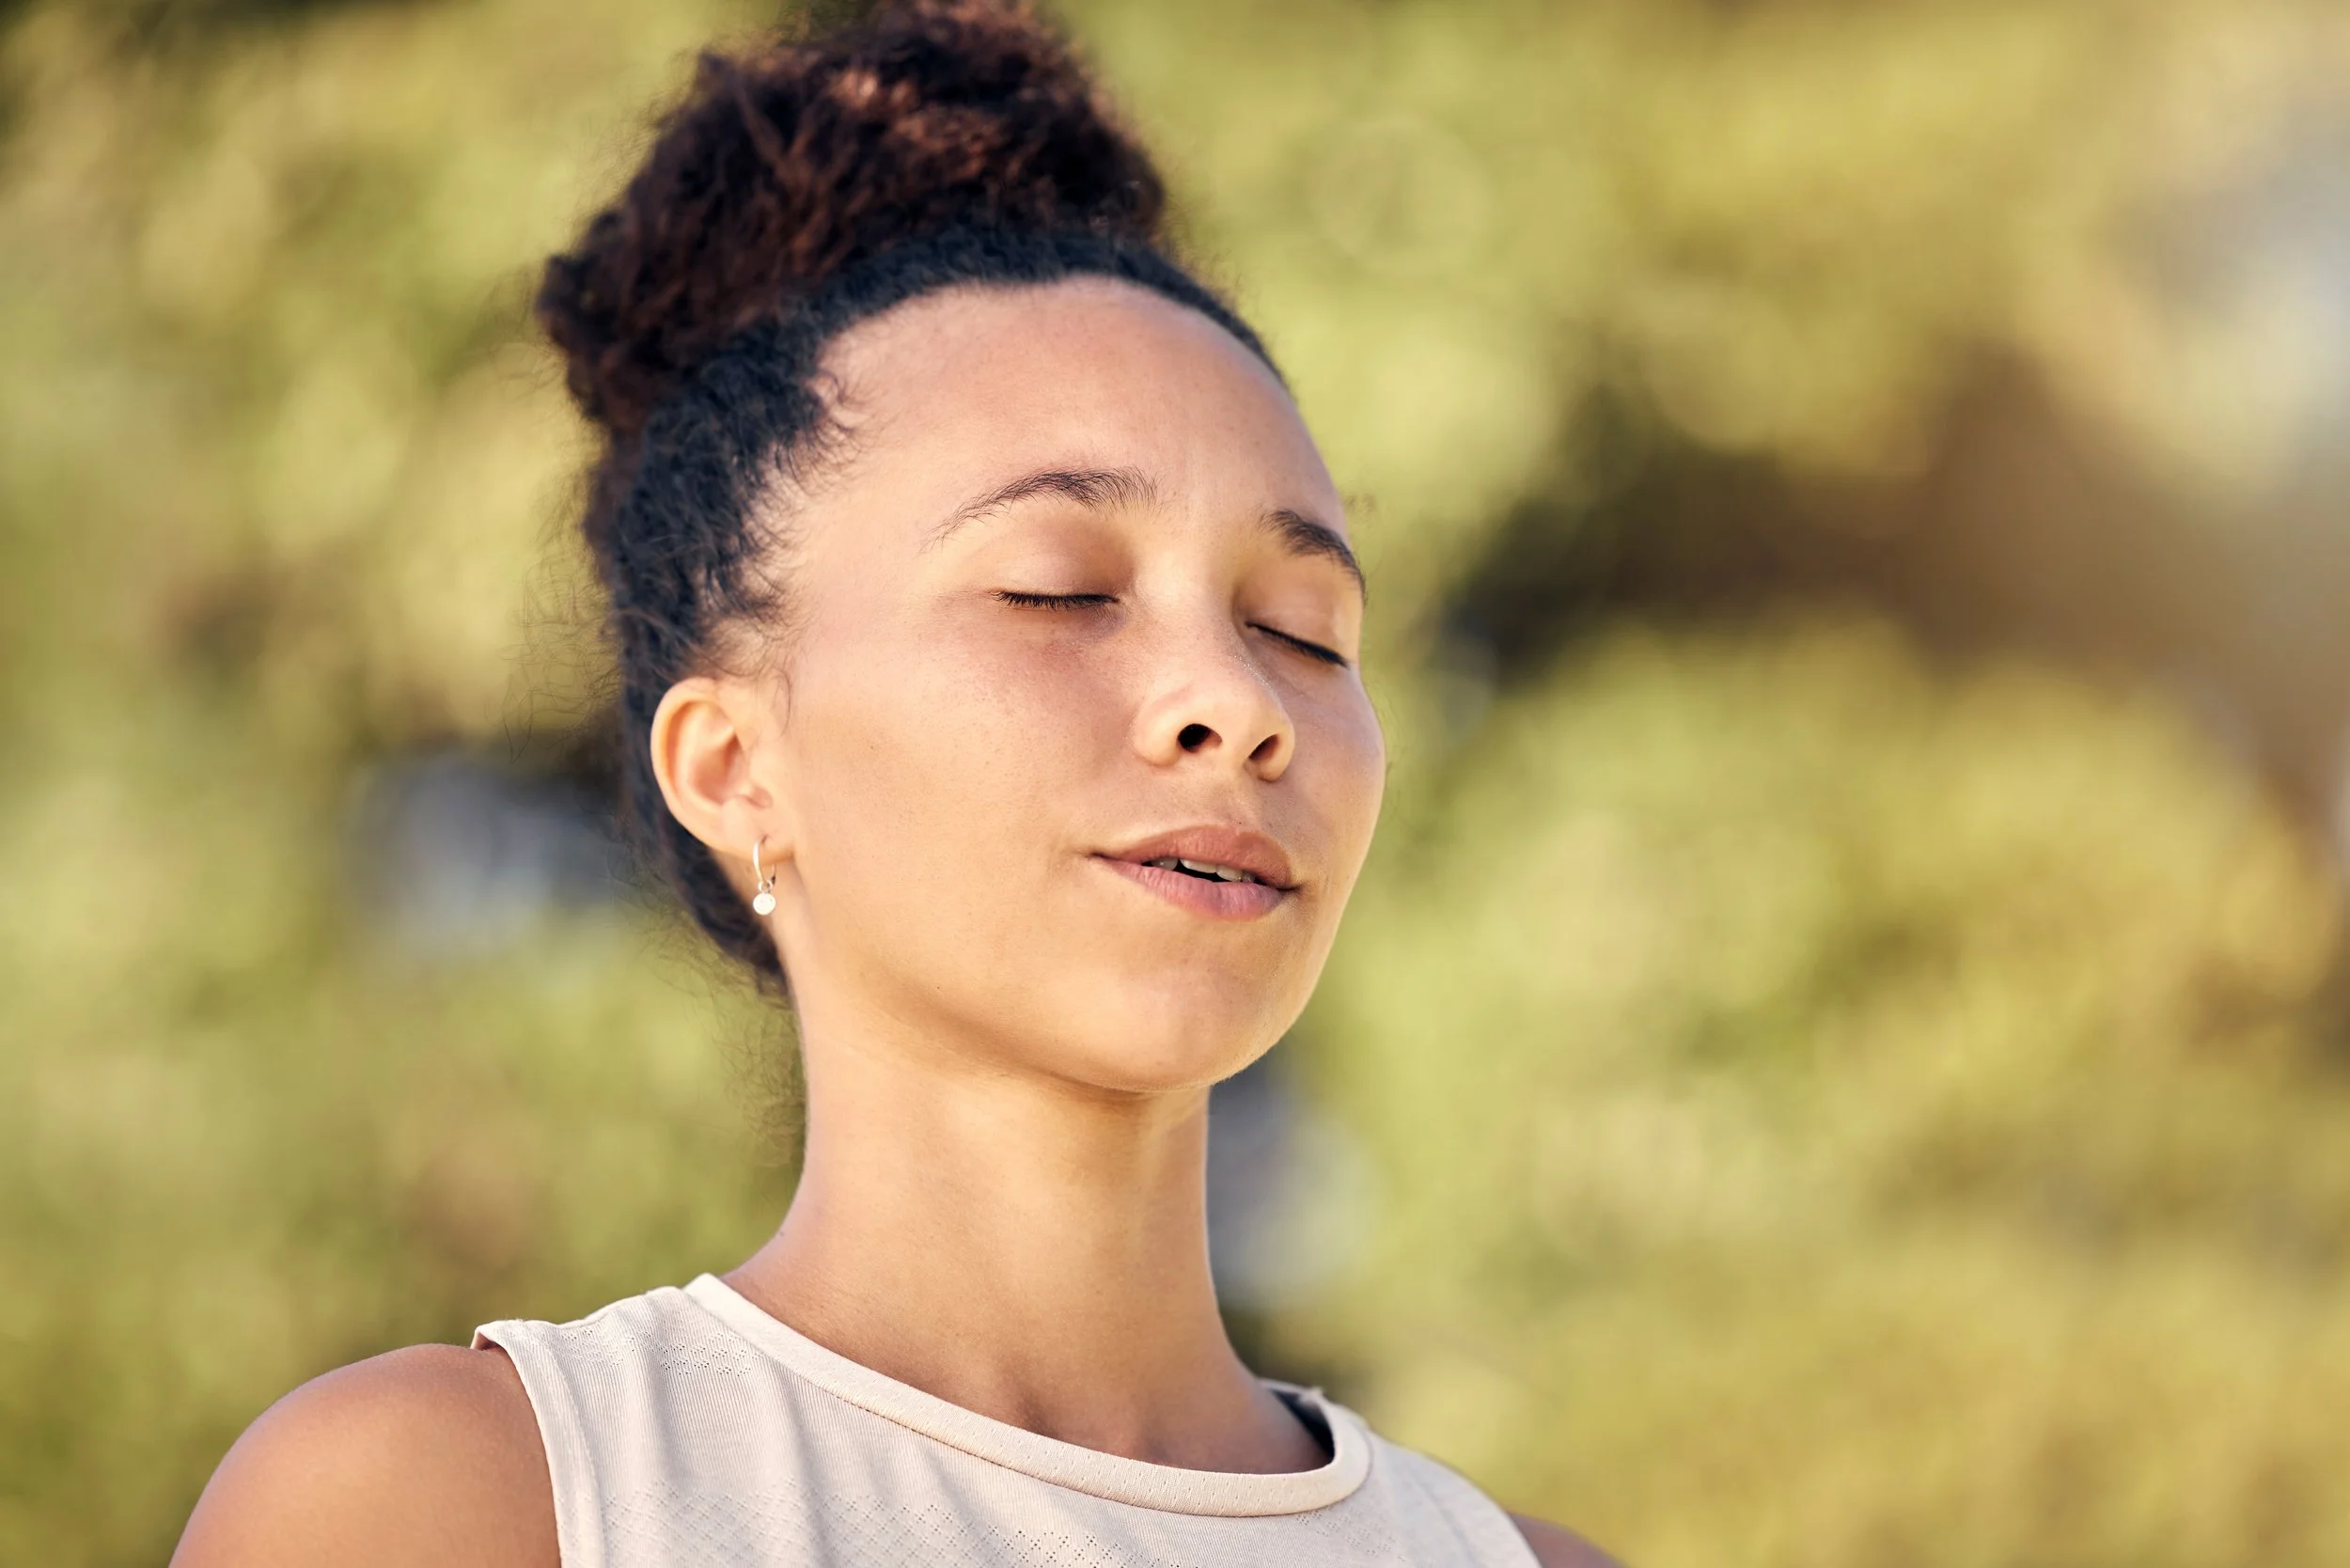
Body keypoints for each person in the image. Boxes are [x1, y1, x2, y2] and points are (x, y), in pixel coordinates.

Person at [170, 3, 1619, 1563]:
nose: (1237, 702)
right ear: (735, 769)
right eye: (1060, 589)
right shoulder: (461, 1501)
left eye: (1302, 629)